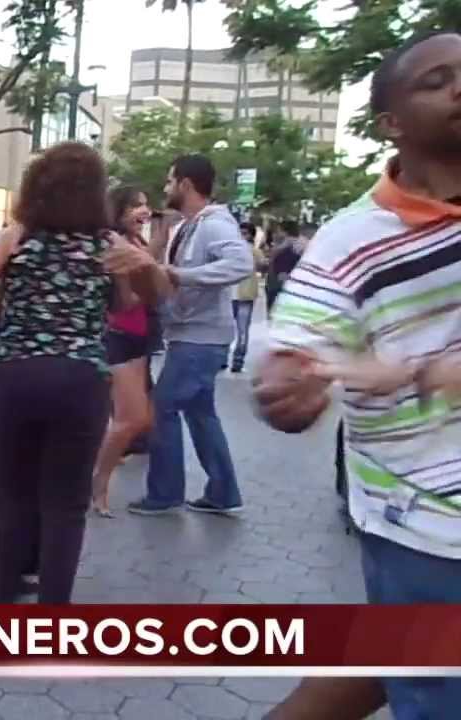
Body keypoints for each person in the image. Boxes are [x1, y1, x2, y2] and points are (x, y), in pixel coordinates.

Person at [258, 32, 461, 720]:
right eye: (436, 80)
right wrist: (291, 386)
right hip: (427, 524)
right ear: (391, 123)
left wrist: (429, 370)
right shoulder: (351, 239)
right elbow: (294, 362)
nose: (460, 87)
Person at [0, 143, 122, 604]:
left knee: (17, 493)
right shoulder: (108, 245)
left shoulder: (19, 236)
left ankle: (4, 602)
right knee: (66, 505)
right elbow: (126, 305)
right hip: (83, 377)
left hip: (18, 375)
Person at [105, 154, 253, 516]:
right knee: (201, 414)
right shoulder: (192, 225)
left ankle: (165, 492)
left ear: (186, 184)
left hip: (199, 339)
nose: (166, 189)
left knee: (164, 408)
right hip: (195, 335)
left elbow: (241, 264)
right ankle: (222, 491)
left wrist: (181, 276)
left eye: (170, 182)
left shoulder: (213, 224)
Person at [90, 186, 159, 518]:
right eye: (135, 206)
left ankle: (95, 478)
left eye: (145, 205)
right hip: (121, 336)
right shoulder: (117, 246)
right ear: (118, 212)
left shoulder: (138, 244)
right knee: (130, 420)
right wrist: (156, 286)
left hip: (138, 338)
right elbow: (126, 301)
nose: (143, 212)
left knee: (140, 419)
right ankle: (97, 483)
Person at [229, 220, 266, 373]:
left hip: (244, 295)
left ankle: (237, 361)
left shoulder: (252, 251)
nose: (242, 236)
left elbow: (262, 265)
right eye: (240, 233)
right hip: (230, 294)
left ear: (250, 235)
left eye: (244, 233)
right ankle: (225, 359)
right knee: (231, 329)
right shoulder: (231, 249)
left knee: (242, 330)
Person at [264, 220, 305, 316]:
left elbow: (276, 259)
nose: (277, 233)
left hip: (280, 282)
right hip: (281, 282)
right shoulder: (301, 243)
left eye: (279, 230)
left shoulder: (291, 244)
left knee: (275, 311)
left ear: (285, 231)